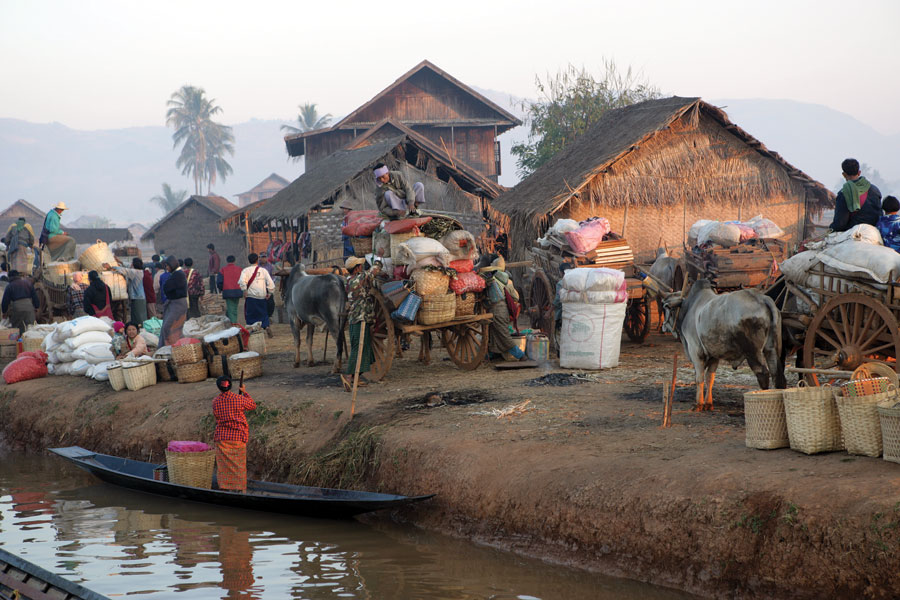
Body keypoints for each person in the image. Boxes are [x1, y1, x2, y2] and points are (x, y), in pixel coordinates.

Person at [340, 255, 382, 390]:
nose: (362, 267)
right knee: (358, 349)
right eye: (360, 265)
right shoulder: (359, 279)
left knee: (364, 349)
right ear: (357, 268)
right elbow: (374, 271)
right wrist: (379, 259)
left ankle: (355, 378)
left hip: (357, 319)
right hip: (360, 319)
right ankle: (348, 377)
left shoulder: (349, 280)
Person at [212, 376, 256, 493]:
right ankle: (240, 489)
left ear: (219, 388)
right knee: (239, 466)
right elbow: (252, 405)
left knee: (223, 467)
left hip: (222, 438)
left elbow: (217, 417)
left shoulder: (215, 402)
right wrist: (244, 392)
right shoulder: (239, 399)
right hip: (238, 438)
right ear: (230, 386)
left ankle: (225, 488)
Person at [478, 255, 525, 362]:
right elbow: (516, 297)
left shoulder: (488, 279)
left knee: (503, 334)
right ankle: (492, 354)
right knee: (493, 332)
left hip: (496, 309)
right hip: (503, 309)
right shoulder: (507, 280)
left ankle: (520, 355)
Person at [829, 158, 883, 232]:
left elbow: (840, 224)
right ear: (859, 172)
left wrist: (831, 228)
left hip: (853, 232)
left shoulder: (843, 193)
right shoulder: (875, 190)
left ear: (844, 175)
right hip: (875, 230)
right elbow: (880, 214)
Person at [239, 253, 275, 335]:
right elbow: (271, 283)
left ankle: (252, 330)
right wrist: (270, 292)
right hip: (262, 296)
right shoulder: (263, 271)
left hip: (251, 297)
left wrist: (244, 290)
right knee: (263, 314)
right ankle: (266, 326)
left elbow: (242, 282)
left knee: (251, 315)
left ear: (249, 260)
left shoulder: (245, 271)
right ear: (257, 260)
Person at [108, 258, 148, 324]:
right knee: (137, 315)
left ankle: (140, 329)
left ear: (134, 264)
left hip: (137, 297)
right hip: (139, 297)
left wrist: (111, 267)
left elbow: (124, 270)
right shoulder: (139, 271)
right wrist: (120, 261)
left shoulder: (135, 272)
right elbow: (128, 266)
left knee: (138, 316)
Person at [160, 256, 188, 346]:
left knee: (170, 327)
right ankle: (171, 346)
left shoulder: (178, 274)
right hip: (174, 304)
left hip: (178, 305)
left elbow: (167, 287)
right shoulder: (175, 274)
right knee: (170, 327)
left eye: (167, 266)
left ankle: (174, 346)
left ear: (172, 265)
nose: (167, 268)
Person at [1, 270, 39, 335]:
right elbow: (35, 296)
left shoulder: (10, 286)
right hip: (29, 307)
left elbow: (5, 301)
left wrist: (4, 311)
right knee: (30, 328)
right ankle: (29, 342)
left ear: (10, 277)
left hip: (17, 308)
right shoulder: (28, 283)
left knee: (17, 329)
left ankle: (19, 343)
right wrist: (36, 306)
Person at [220, 255, 242, 324]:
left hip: (227, 291)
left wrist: (222, 289)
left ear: (227, 261)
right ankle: (231, 321)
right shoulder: (240, 269)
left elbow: (219, 282)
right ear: (234, 261)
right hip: (238, 291)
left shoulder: (223, 270)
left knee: (231, 308)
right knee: (234, 307)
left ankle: (233, 324)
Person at [258, 254, 276, 323]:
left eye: (264, 257)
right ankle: (261, 316)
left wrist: (271, 283)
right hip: (259, 286)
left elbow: (273, 276)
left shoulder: (270, 266)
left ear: (267, 258)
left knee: (270, 302)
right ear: (259, 258)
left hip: (268, 286)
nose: (263, 259)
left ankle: (269, 316)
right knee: (260, 301)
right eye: (262, 257)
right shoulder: (257, 266)